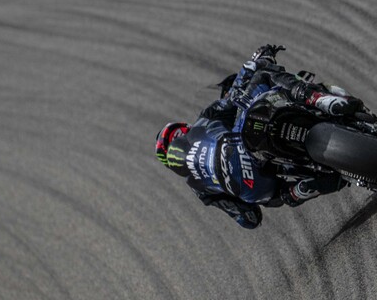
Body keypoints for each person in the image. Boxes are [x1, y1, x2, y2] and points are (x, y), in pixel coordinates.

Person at [155, 45, 362, 229]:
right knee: (263, 75)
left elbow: (249, 218)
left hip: (252, 185)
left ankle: (297, 191)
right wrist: (260, 58)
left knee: (280, 194)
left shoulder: (200, 190)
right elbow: (235, 93)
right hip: (239, 144)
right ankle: (316, 98)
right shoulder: (203, 121)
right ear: (182, 131)